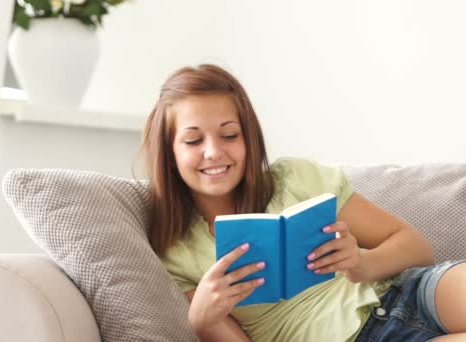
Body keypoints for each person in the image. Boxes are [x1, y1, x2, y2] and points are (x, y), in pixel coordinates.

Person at [139, 64, 466, 341]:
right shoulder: (175, 252)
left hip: (409, 292)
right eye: (194, 140)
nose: (213, 152)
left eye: (229, 135)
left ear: (248, 138)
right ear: (169, 153)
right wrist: (203, 320)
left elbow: (418, 248)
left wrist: (361, 264)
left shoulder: (295, 178)